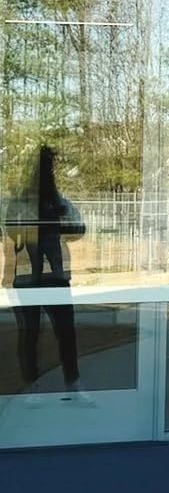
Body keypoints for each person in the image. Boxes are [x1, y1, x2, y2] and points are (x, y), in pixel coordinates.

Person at [6, 146, 91, 405]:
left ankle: (72, 383)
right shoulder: (20, 203)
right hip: (28, 277)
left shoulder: (59, 202)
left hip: (54, 276)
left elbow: (79, 229)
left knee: (65, 332)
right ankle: (33, 386)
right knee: (30, 333)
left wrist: (60, 217)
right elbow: (11, 232)